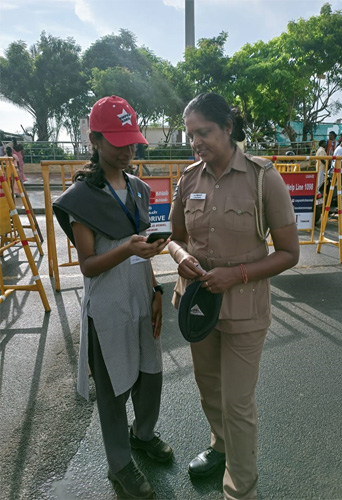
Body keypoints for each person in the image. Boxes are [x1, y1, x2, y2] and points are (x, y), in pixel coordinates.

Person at [168, 92, 299, 500]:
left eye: (204, 132)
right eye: (191, 135)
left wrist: (236, 275)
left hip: (244, 308)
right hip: (198, 305)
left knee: (238, 403)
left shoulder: (263, 177)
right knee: (210, 389)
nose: (196, 142)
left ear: (228, 127)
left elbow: (289, 253)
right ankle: (219, 447)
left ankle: (241, 490)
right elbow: (173, 239)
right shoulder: (188, 178)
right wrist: (182, 256)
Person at [53, 95, 173, 500]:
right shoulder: (81, 198)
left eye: (132, 141)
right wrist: (127, 250)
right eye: (118, 141)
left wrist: (155, 289)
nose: (127, 150)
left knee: (150, 374)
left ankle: (143, 435)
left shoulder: (138, 188)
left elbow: (142, 249)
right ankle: (120, 465)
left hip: (140, 295)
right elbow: (88, 265)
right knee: (113, 388)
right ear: (95, 139)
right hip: (106, 307)